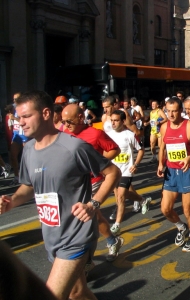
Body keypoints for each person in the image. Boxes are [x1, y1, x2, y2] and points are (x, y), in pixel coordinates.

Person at [0, 90, 121, 300]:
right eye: (19, 117)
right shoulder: (28, 150)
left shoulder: (74, 147)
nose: (21, 122)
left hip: (75, 236)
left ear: (46, 113)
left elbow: (113, 172)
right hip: (52, 235)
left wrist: (93, 204)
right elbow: (29, 186)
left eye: (27, 116)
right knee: (77, 293)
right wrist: (12, 201)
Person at [62, 104, 124, 262]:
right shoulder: (63, 133)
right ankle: (112, 240)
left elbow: (114, 149)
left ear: (80, 118)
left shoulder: (95, 134)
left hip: (93, 181)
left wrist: (97, 164)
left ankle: (85, 261)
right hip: (72, 182)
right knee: (92, 216)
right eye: (64, 121)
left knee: (84, 217)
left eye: (69, 121)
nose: (66, 125)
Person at [157, 97, 190, 252]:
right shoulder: (164, 127)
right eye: (168, 111)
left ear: (180, 110)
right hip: (171, 171)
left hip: (187, 170)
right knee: (165, 209)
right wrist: (160, 163)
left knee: (187, 209)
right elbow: (163, 147)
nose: (170, 114)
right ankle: (181, 226)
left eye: (174, 111)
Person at [107, 110, 149, 235]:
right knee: (119, 196)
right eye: (112, 120)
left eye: (116, 120)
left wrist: (135, 164)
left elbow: (141, 150)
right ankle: (142, 200)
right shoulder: (108, 134)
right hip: (113, 171)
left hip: (126, 170)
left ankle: (117, 224)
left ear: (123, 121)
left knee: (121, 196)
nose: (113, 123)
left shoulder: (129, 135)